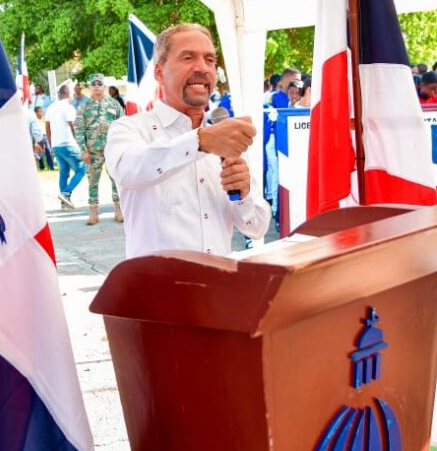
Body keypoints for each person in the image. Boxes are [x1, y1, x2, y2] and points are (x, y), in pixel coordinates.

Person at [105, 21, 271, 270]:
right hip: (159, 299)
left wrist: (244, 193)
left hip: (218, 293)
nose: (202, 68)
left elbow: (256, 227)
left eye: (210, 60)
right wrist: (200, 141)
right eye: (188, 57)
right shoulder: (130, 129)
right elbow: (129, 168)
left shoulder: (224, 135)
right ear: (159, 73)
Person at [74, 73, 125, 225]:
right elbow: (79, 129)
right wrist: (83, 150)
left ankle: (119, 210)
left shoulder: (114, 104)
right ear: (90, 87)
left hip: (111, 150)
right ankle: (93, 213)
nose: (97, 86)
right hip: (92, 152)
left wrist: (121, 146)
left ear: (104, 86)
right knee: (93, 182)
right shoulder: (84, 107)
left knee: (116, 179)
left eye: (99, 84)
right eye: (94, 84)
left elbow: (122, 126)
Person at [46, 83, 86, 209]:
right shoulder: (68, 107)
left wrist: (51, 145)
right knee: (81, 170)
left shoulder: (50, 108)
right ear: (68, 95)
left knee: (64, 173)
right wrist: (80, 144)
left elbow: (47, 128)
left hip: (57, 146)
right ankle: (66, 194)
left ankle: (64, 204)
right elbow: (73, 126)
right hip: (68, 144)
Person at [29, 105, 55, 171]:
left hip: (45, 136)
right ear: (35, 113)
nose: (42, 113)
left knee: (48, 151)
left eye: (42, 111)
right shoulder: (34, 120)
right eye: (40, 112)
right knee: (40, 152)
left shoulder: (44, 119)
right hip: (38, 137)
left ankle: (51, 166)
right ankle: (41, 166)